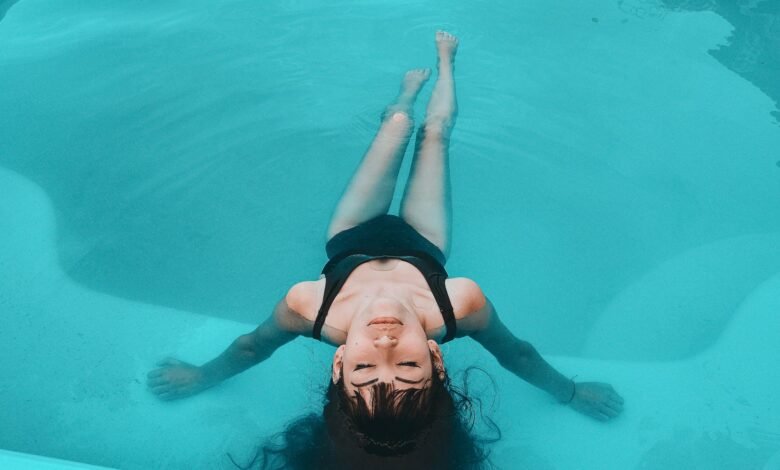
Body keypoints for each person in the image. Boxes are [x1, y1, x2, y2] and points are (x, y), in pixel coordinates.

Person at [147, 30, 624, 465]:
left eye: (365, 366)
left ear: (339, 363)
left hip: (352, 233)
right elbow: (516, 354)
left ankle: (405, 96)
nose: (385, 345)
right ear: (436, 360)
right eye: (409, 365)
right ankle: (447, 63)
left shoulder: (311, 307)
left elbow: (252, 347)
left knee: (397, 124)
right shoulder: (458, 304)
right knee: (434, 135)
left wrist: (200, 376)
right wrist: (570, 392)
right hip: (425, 243)